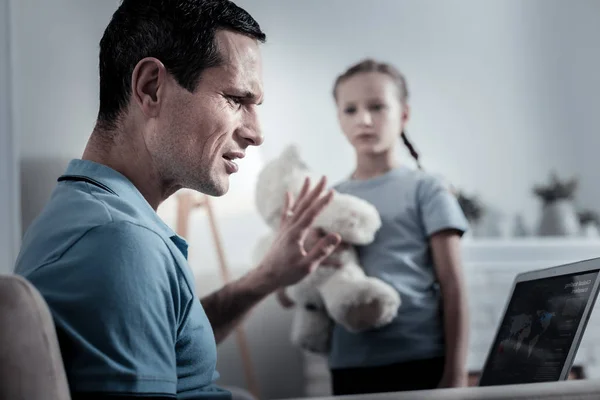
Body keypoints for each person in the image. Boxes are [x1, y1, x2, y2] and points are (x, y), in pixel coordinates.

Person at [13, 1, 342, 399]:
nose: (256, 133)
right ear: (151, 86)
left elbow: (170, 342)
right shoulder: (118, 244)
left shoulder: (94, 217)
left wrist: (265, 279)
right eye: (237, 99)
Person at [276, 59, 471, 395]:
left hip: (421, 357)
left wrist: (455, 376)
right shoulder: (327, 199)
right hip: (350, 364)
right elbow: (287, 295)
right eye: (350, 110)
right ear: (339, 120)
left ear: (404, 114)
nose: (364, 119)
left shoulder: (428, 189)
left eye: (377, 107)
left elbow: (454, 287)